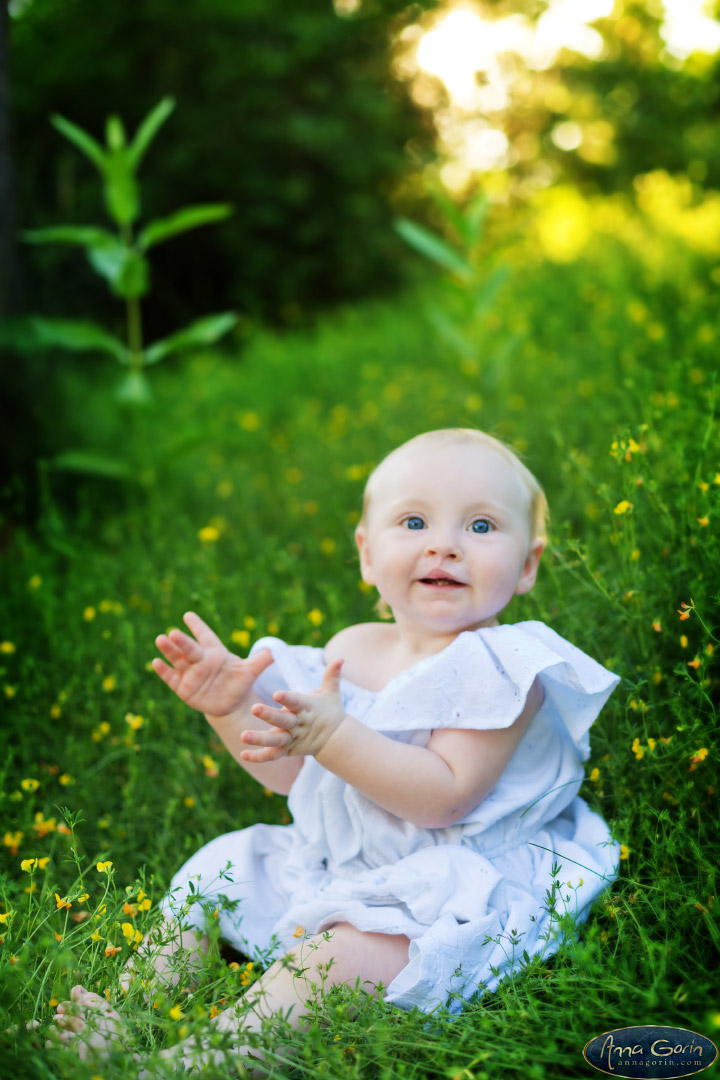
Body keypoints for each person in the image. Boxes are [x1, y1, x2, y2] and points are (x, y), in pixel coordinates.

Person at [50, 428, 620, 1073]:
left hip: (447, 882)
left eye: (482, 526)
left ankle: (195, 1063)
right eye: (413, 521)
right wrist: (230, 710)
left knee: (340, 958)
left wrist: (336, 736)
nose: (444, 545)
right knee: (218, 869)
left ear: (527, 566)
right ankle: (133, 1007)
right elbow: (293, 776)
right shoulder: (358, 646)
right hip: (342, 859)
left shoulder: (501, 667)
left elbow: (444, 796)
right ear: (367, 555)